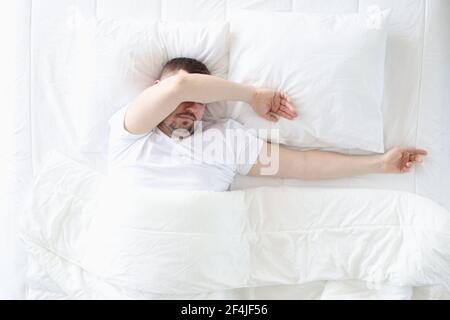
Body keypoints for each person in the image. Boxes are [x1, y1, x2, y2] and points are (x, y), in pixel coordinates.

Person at [107, 57, 427, 191]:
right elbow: (182, 87)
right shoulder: (130, 132)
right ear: (154, 91)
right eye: (184, 94)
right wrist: (253, 96)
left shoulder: (226, 140)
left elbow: (301, 165)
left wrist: (379, 163)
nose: (191, 104)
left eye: (202, 99)